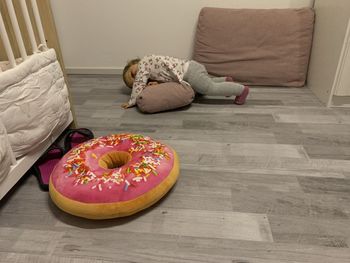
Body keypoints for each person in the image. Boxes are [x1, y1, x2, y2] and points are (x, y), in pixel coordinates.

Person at [122, 54, 249, 109]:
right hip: (191, 69)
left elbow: (139, 83)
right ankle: (225, 80)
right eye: (133, 81)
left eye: (133, 73)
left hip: (190, 72)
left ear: (135, 63)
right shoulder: (152, 69)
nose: (138, 77)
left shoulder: (144, 62)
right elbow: (167, 80)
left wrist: (132, 101)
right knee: (205, 84)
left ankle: (241, 90)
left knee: (209, 89)